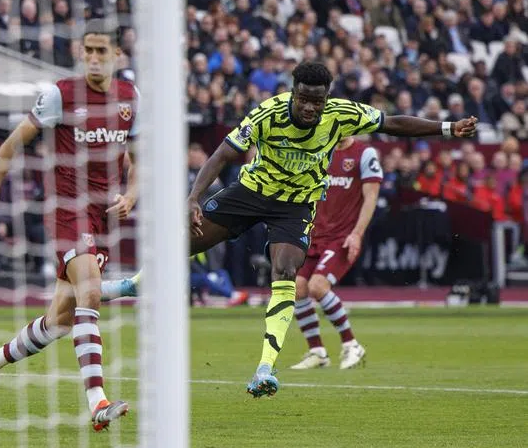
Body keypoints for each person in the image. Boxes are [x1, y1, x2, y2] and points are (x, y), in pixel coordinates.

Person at [187, 61, 477, 397]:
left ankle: (267, 367)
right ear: (293, 92)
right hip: (252, 191)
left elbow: (393, 123)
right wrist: (194, 196)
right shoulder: (268, 113)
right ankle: (131, 286)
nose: (310, 107)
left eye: (318, 101)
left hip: (295, 208)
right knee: (187, 244)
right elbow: (224, 152)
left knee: (289, 275)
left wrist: (447, 128)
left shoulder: (345, 119)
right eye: (303, 99)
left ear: (328, 97)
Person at [0, 21, 138, 431]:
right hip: (67, 208)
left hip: (102, 215)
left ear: (118, 55)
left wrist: (130, 195)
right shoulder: (60, 95)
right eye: (88, 50)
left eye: (102, 51)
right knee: (91, 292)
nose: (94, 58)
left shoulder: (131, 98)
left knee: (61, 319)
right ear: (80, 52)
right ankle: (97, 402)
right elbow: (10, 145)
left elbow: (132, 157)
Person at [289, 137, 382, 370]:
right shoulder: (318, 151)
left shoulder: (364, 153)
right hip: (315, 235)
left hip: (342, 237)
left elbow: (371, 197)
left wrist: (357, 234)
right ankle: (317, 351)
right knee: (298, 288)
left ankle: (352, 344)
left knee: (317, 287)